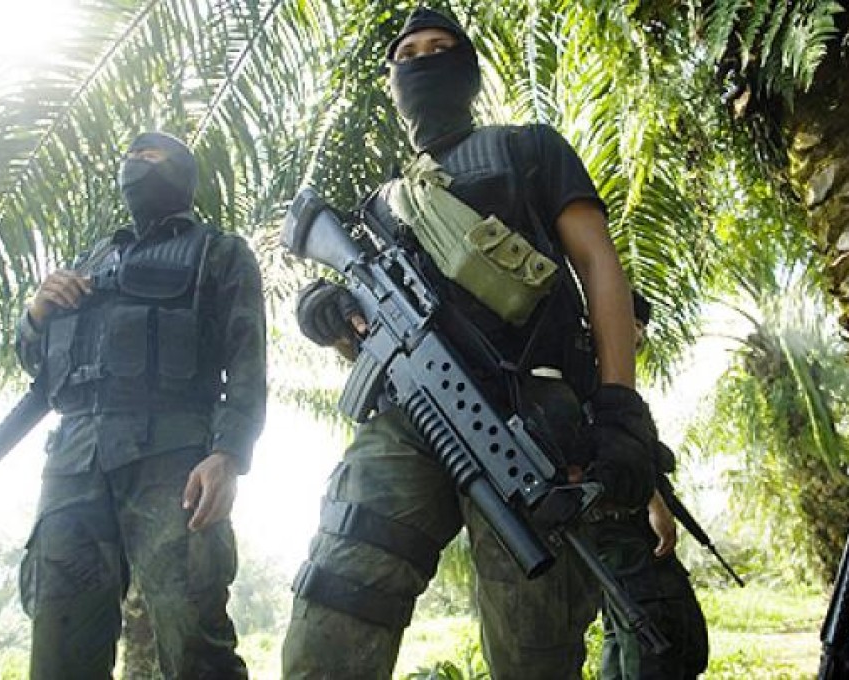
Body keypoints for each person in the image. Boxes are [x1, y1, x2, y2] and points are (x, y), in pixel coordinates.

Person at [281, 7, 658, 678]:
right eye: (409, 54)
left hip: (532, 415)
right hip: (408, 418)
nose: (424, 61)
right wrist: (336, 312)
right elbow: (367, 339)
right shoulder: (384, 204)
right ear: (392, 81)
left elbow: (602, 267)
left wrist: (620, 407)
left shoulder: (528, 148)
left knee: (534, 638)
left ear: (470, 69)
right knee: (339, 601)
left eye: (442, 47)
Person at [14, 131, 267, 679]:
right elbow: (40, 364)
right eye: (130, 157)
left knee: (193, 635)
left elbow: (247, 363)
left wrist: (229, 454)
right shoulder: (90, 259)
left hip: (172, 461)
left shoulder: (219, 253)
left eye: (153, 157)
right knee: (59, 640)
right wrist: (35, 313)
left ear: (183, 174)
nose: (137, 165)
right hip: (74, 465)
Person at [596, 290, 709, 679]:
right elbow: (619, 458)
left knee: (630, 637)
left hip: (619, 534)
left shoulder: (603, 378)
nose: (639, 336)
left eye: (643, 327)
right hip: (623, 528)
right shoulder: (597, 379)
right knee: (655, 638)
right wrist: (653, 502)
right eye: (633, 324)